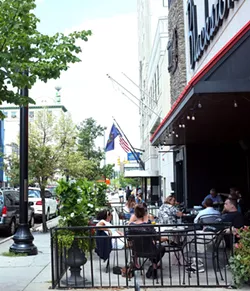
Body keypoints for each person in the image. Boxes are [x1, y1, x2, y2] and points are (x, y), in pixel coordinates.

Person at [128, 204, 166, 279]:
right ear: (145, 213)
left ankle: (153, 267)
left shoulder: (131, 226)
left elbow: (129, 239)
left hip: (137, 251)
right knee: (161, 248)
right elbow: (156, 237)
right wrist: (165, 239)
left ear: (135, 214)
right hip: (150, 250)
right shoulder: (148, 226)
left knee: (154, 248)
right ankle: (153, 267)